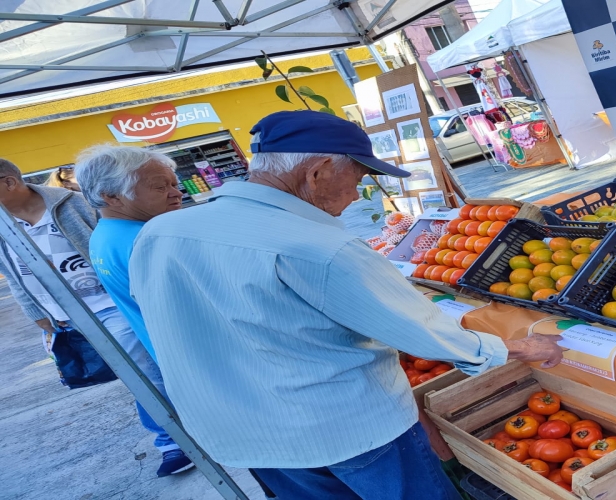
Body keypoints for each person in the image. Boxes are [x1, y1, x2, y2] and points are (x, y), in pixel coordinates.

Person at [129, 110, 563, 499]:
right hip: (346, 431)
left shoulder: (161, 233)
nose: (357, 196)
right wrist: (517, 349)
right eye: (357, 180)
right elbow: (417, 328)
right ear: (317, 172)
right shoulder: (318, 246)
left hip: (245, 436)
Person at [75, 145, 278, 498]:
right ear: (111, 196)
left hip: (191, 368)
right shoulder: (148, 241)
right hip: (222, 370)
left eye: (173, 183)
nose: (176, 192)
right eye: (159, 186)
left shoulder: (105, 236)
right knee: (281, 459)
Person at [0, 157, 193, 478]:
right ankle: (179, 433)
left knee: (145, 374)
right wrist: (37, 313)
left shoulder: (68, 204)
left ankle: (171, 441)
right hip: (66, 316)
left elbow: (107, 241)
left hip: (110, 303)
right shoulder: (3, 225)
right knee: (139, 374)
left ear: (8, 182)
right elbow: (12, 273)